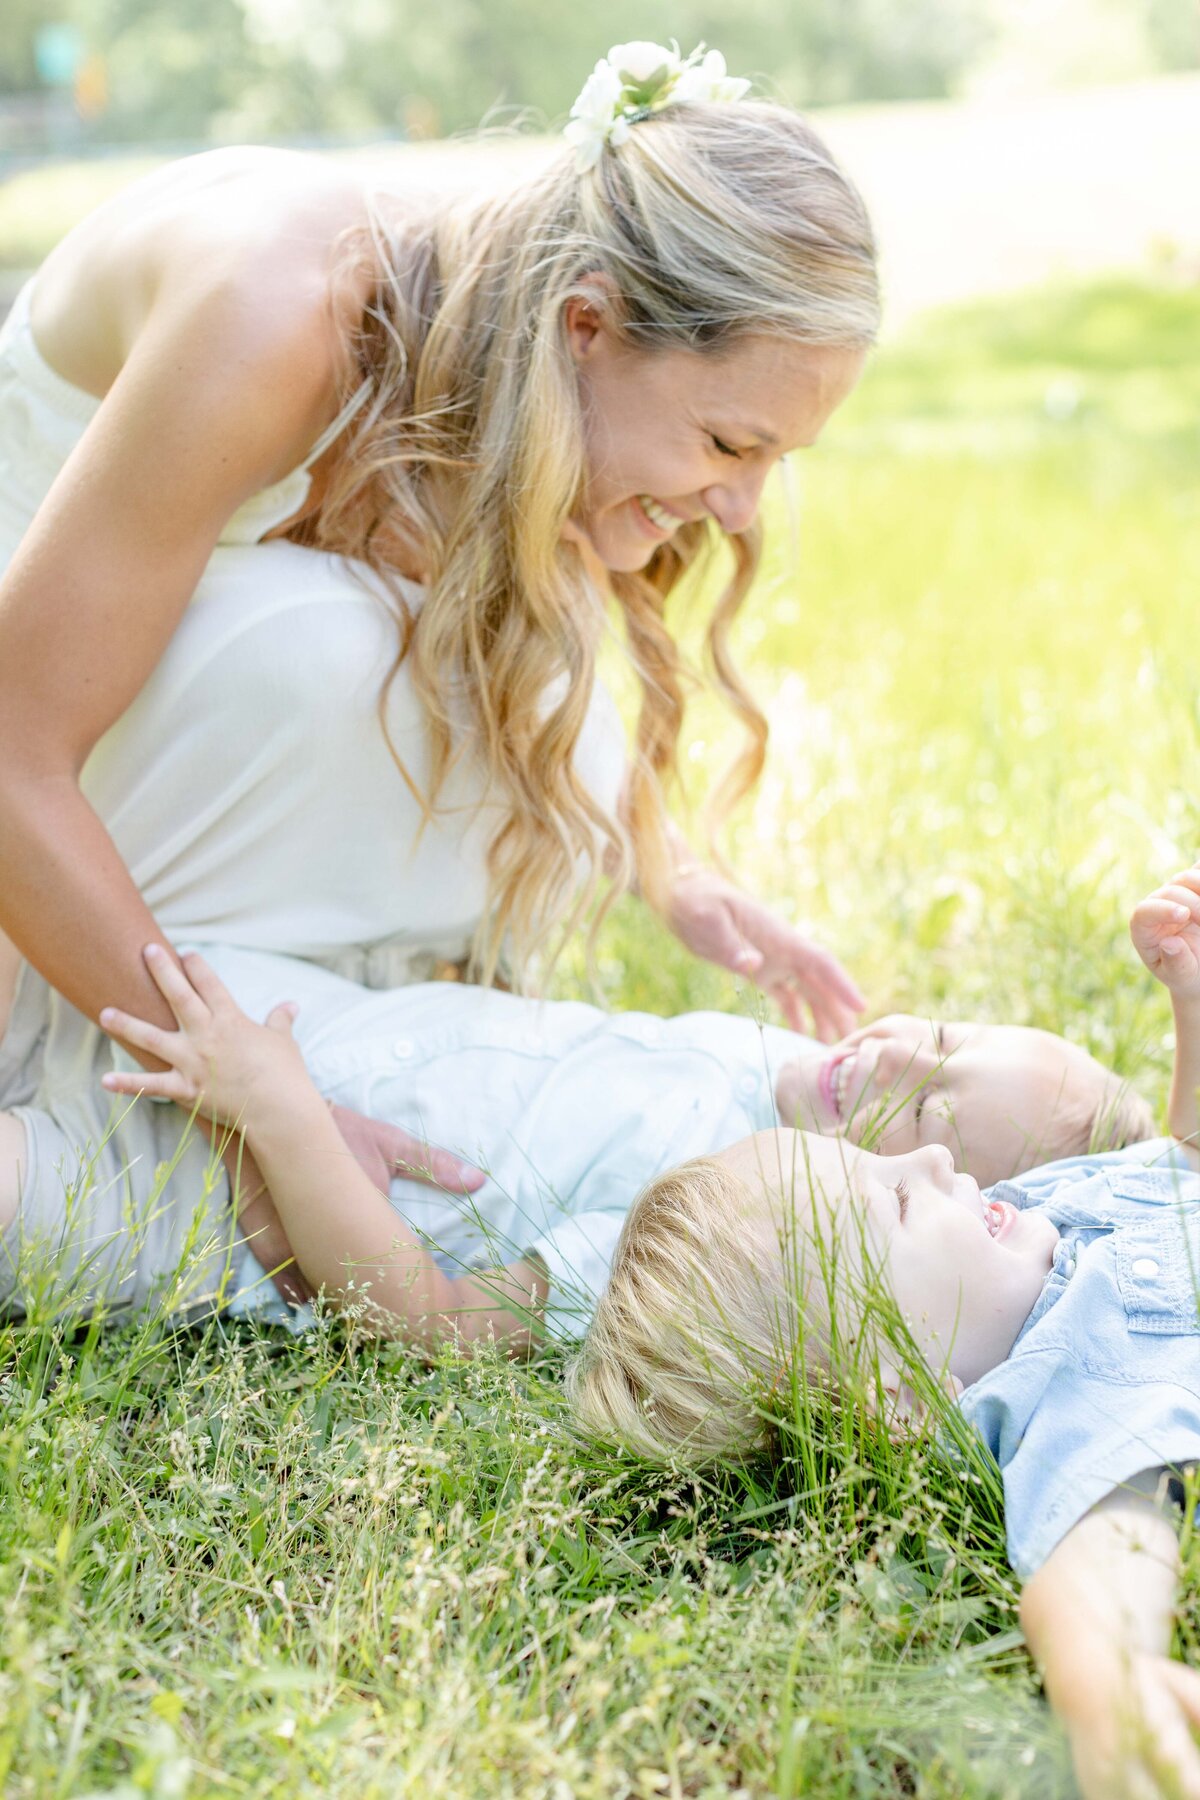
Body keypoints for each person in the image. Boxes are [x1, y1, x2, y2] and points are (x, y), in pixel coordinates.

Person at [0, 42, 878, 1278]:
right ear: (588, 325)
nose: (741, 512)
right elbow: (10, 751)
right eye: (731, 443)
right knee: (344, 645)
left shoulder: (493, 338)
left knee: (492, 644)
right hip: (32, 729)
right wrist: (261, 1122)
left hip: (120, 740)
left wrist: (665, 869)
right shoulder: (276, 314)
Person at [568, 862, 1200, 1800]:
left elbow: (1180, 1170)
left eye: (886, 1164)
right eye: (898, 1205)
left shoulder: (1035, 1214)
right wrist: (1106, 1691)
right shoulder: (1064, 1384)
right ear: (900, 1394)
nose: (938, 1159)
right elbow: (1092, 1558)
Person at [0, 905, 1147, 1338]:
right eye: (941, 1034)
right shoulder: (792, 1069)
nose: (897, 1060)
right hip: (208, 1011)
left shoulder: (724, 1236)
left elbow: (437, 1321)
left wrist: (282, 1113)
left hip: (181, 1206)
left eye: (930, 1111)